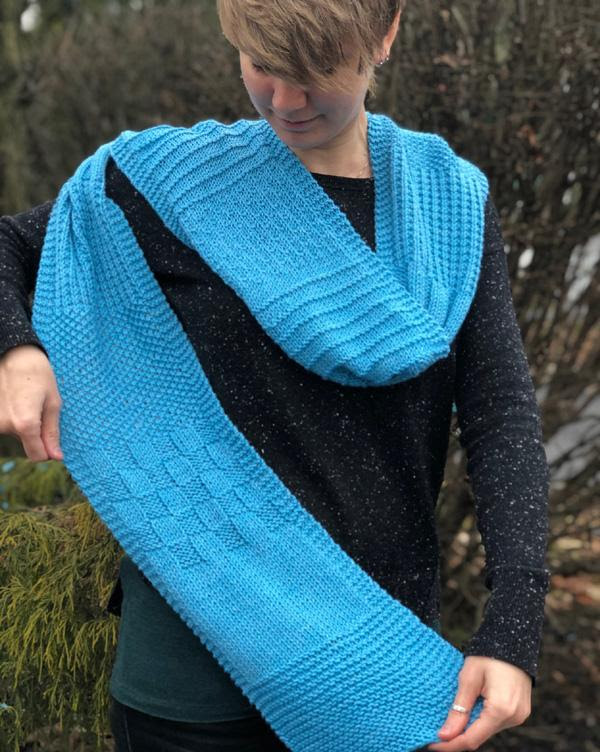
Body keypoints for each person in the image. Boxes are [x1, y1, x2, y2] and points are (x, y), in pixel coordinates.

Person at [0, 1, 551, 750]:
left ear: (386, 33)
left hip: (375, 657)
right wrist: (18, 349)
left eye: (317, 70)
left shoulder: (447, 205)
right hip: (188, 683)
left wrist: (513, 626)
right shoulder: (170, 183)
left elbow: (500, 419)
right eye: (262, 65)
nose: (286, 101)